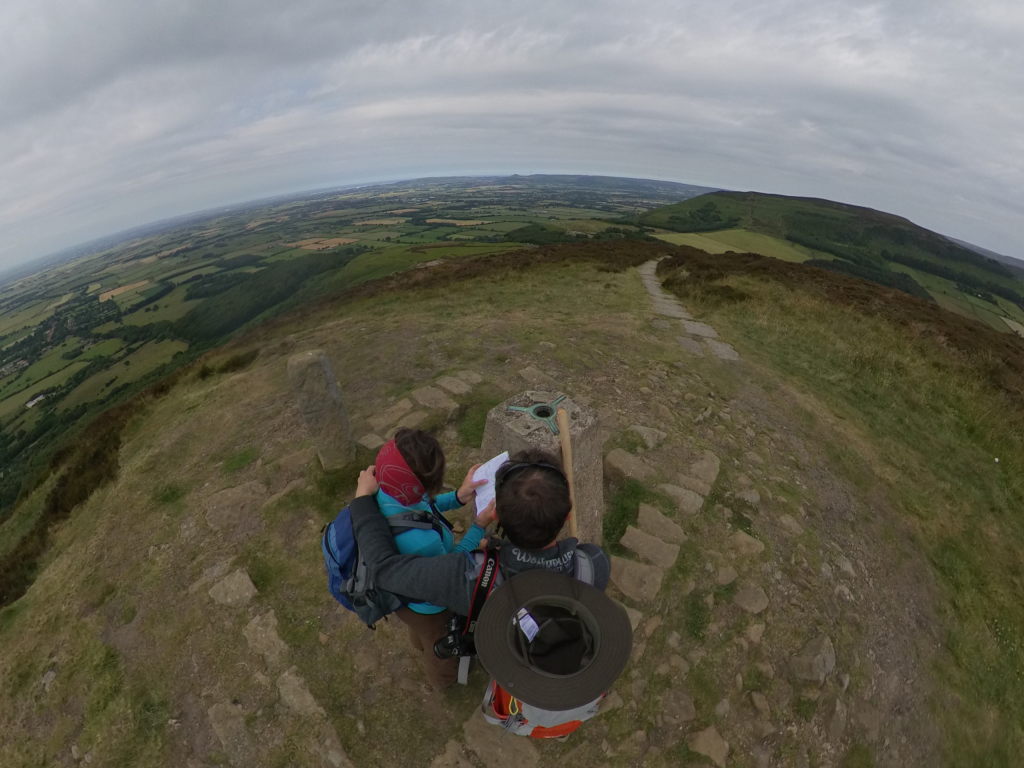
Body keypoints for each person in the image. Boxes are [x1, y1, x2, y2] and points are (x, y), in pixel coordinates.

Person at [351, 448, 632, 737]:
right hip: (548, 659)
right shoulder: (593, 563)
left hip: (504, 656)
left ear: (496, 513)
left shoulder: (466, 575)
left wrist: (362, 502)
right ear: (568, 514)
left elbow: (385, 569)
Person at [370, 428, 486, 689]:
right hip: (429, 606)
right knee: (439, 644)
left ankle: (418, 643)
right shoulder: (424, 541)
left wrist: (459, 496)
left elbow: (424, 504)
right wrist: (478, 526)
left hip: (404, 595)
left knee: (419, 631)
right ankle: (442, 681)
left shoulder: (386, 490)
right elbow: (449, 569)